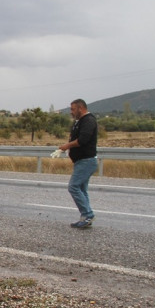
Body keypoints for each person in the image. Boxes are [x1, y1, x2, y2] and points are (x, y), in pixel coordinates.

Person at [59, 98, 99, 229]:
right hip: (82, 161)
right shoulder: (80, 121)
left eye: (73, 109)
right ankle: (85, 217)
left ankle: (88, 214)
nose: (71, 112)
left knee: (73, 187)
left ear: (80, 108)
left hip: (86, 161)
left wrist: (67, 145)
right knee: (81, 189)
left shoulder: (88, 121)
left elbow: (82, 140)